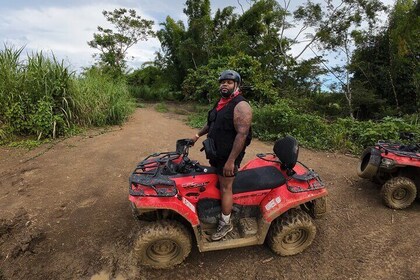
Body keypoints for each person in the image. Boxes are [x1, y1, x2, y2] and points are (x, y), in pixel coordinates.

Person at [192, 70, 252, 241]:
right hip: (217, 152)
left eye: (229, 82)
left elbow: (242, 135)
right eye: (222, 82)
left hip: (229, 156)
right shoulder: (221, 102)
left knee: (226, 187)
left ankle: (226, 222)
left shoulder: (241, 106)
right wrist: (197, 136)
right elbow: (211, 122)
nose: (224, 84)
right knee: (216, 180)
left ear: (237, 85)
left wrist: (231, 161)